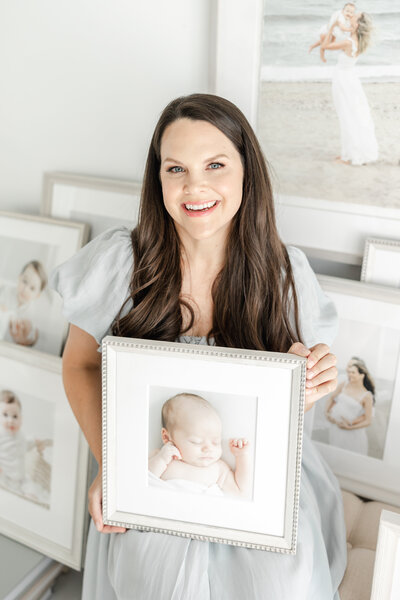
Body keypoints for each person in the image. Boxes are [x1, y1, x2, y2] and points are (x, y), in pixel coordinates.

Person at [52, 93, 346, 599]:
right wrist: (117, 469)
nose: (195, 186)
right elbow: (79, 365)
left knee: (282, 585)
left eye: (215, 164)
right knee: (149, 580)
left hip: (250, 476)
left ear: (245, 171)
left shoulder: (286, 275)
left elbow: (289, 404)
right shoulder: (121, 262)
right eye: (176, 168)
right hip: (155, 468)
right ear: (158, 178)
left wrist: (313, 382)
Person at [148, 392, 251, 498]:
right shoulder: (160, 457)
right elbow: (142, 480)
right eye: (196, 442)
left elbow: (240, 491)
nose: (208, 449)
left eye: (215, 442)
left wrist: (241, 456)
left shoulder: (218, 468)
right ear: (167, 437)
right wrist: (161, 460)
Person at [321, 12, 378, 165]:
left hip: (343, 80)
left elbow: (325, 46)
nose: (350, 16)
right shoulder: (357, 41)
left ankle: (350, 155)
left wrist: (332, 26)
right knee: (354, 115)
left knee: (346, 115)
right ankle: (349, 153)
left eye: (353, 17)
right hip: (351, 79)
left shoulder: (348, 42)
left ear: (357, 24)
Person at [326, 361, 374, 455]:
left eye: (353, 372)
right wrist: (327, 413)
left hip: (352, 433)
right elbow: (332, 398)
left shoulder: (367, 395)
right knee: (335, 454)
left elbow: (368, 420)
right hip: (336, 428)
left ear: (362, 375)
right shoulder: (344, 384)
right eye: (349, 372)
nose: (349, 375)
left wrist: (350, 427)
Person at [0, 260, 48, 346]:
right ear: (19, 278)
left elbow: (31, 336)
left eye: (32, 288)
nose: (25, 289)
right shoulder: (6, 291)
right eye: (24, 281)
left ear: (37, 295)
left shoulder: (31, 313)